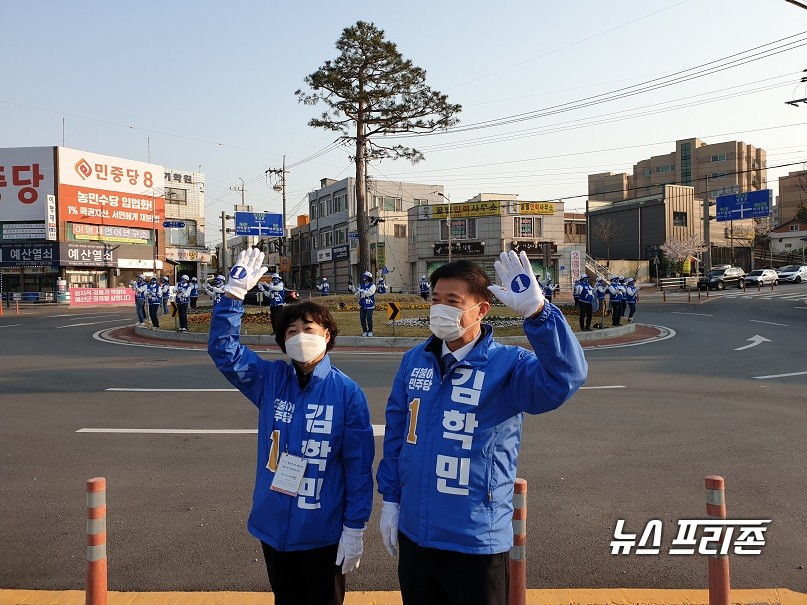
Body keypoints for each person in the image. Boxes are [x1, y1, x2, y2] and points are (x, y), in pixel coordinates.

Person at [376, 252, 587, 605]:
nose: (440, 308)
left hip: (475, 539)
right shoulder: (416, 359)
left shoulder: (508, 365)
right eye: (435, 300)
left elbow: (564, 379)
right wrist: (391, 500)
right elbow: (398, 432)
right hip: (416, 533)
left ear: (481, 309)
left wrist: (539, 314)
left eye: (453, 302)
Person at [208, 248, 374, 605]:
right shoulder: (270, 379)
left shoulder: (347, 393)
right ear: (283, 341)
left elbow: (358, 467)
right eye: (292, 331)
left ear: (328, 334)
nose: (300, 336)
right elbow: (224, 351)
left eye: (309, 329)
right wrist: (233, 296)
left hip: (322, 532)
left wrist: (354, 527)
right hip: (274, 526)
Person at [357, 271, 376, 337]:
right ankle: (364, 330)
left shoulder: (372, 286)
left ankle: (370, 330)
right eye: (363, 276)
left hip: (369, 305)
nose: (363, 277)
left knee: (369, 318)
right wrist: (354, 290)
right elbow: (358, 295)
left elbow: (370, 293)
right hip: (362, 304)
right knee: (362, 318)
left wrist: (363, 291)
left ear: (368, 277)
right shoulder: (362, 285)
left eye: (365, 276)